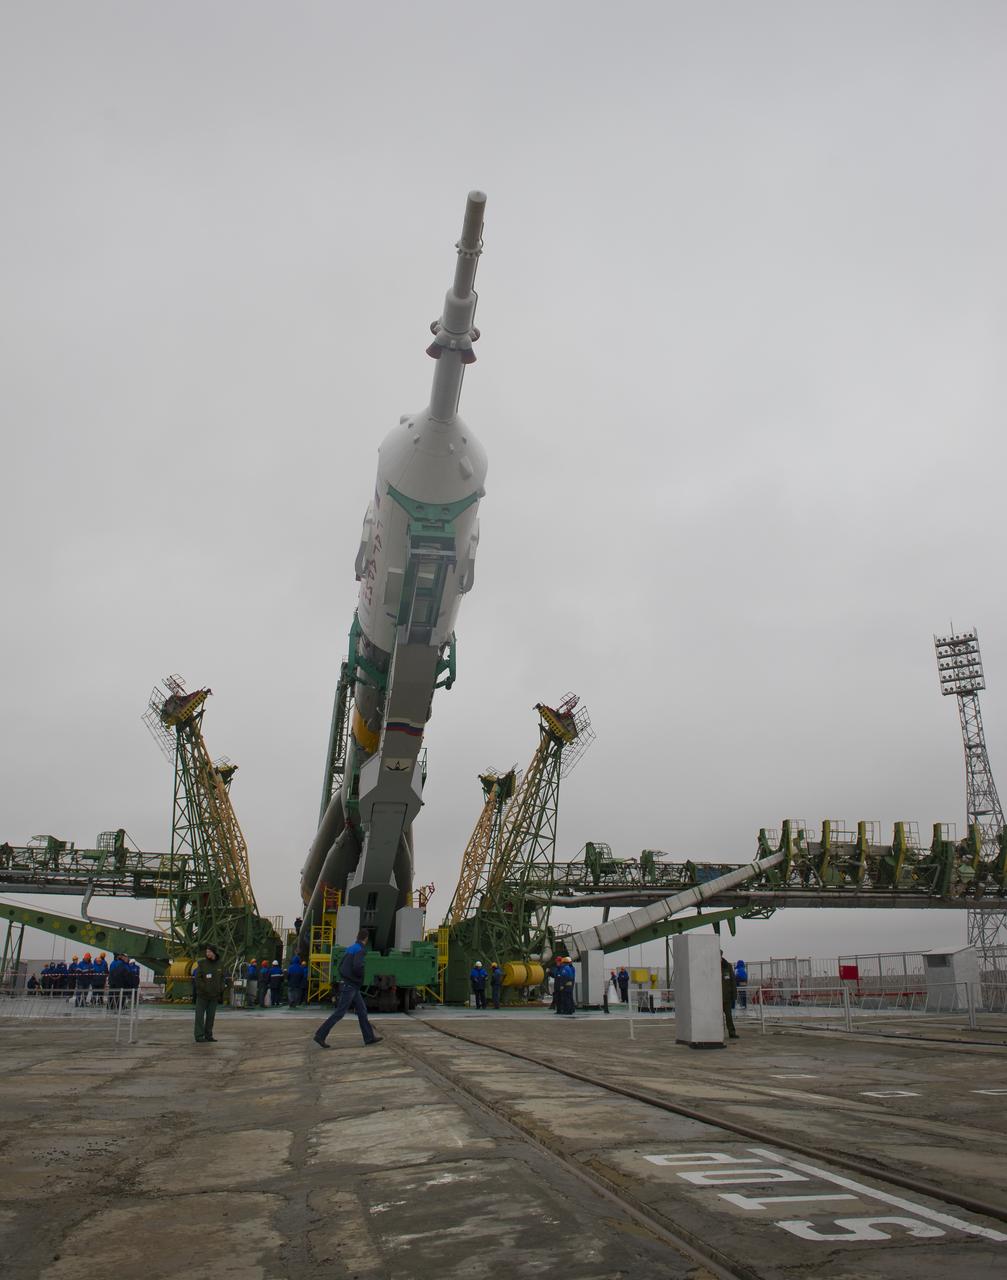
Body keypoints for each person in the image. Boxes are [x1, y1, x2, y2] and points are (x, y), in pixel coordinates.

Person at [313, 929, 381, 1048]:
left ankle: (369, 1037)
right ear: (366, 938)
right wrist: (359, 978)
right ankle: (320, 1035)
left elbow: (340, 966)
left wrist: (346, 978)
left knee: (362, 1011)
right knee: (340, 1012)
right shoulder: (360, 950)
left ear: (357, 936)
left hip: (349, 984)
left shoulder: (351, 948)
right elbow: (357, 966)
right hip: (351, 985)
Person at [194, 944, 226, 1043]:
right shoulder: (202, 963)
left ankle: (208, 1035)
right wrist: (204, 988)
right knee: (199, 1016)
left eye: (209, 952)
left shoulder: (220, 964)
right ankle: (199, 1036)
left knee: (211, 1017)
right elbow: (197, 978)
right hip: (202, 995)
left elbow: (222, 978)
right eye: (207, 952)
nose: (207, 953)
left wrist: (221, 988)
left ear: (214, 952)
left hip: (214, 996)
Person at [721, 953, 739, 1040]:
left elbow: (732, 981)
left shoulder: (727, 966)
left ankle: (732, 1032)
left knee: (728, 1015)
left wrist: (734, 995)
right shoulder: (712, 965)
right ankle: (718, 1033)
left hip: (726, 996)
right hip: (716, 997)